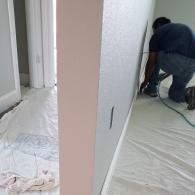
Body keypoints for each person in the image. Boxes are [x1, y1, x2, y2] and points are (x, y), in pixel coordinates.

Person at [140, 17, 195, 110]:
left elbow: (151, 62)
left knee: (155, 55)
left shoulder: (158, 32)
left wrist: (145, 81)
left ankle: (151, 89)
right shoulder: (182, 28)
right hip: (192, 66)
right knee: (175, 93)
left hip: (176, 62)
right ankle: (190, 93)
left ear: (157, 27)